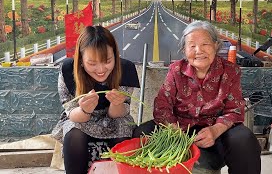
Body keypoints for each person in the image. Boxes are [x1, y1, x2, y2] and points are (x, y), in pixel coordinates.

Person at [133, 21, 261, 174]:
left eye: (205, 44)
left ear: (216, 45)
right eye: (192, 46)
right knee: (142, 133)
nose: (198, 50)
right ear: (184, 50)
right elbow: (162, 106)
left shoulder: (230, 70)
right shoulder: (176, 70)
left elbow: (234, 110)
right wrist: (175, 131)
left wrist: (214, 130)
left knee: (244, 140)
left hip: (215, 130)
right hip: (179, 128)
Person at [51, 25, 139, 174]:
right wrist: (84, 110)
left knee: (123, 131)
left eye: (107, 61)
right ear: (81, 59)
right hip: (81, 118)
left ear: (115, 56)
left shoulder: (125, 69)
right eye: (92, 63)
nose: (101, 70)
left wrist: (116, 103)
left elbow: (120, 113)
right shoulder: (68, 70)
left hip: (114, 118)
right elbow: (71, 113)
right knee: (73, 131)